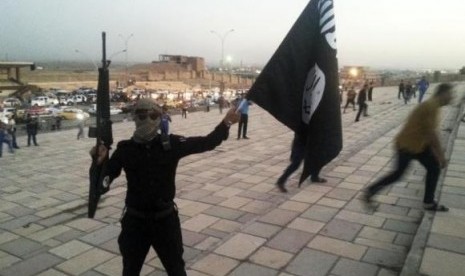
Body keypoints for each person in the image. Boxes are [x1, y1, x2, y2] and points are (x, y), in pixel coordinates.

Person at [90, 98, 240, 276]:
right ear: (135, 118)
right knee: (130, 270)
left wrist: (227, 122)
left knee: (176, 269)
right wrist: (99, 164)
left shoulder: (170, 145)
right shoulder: (125, 150)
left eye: (152, 115)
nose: (146, 119)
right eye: (141, 115)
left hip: (165, 221)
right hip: (135, 222)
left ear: (159, 118)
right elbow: (103, 184)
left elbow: (207, 142)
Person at [364, 83, 454, 212]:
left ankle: (428, 202)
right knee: (398, 174)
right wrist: (441, 156)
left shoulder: (434, 106)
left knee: (433, 168)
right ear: (443, 93)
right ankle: (370, 191)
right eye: (451, 94)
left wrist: (435, 154)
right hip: (407, 145)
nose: (452, 97)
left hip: (419, 145)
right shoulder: (431, 106)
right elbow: (432, 135)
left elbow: (429, 133)